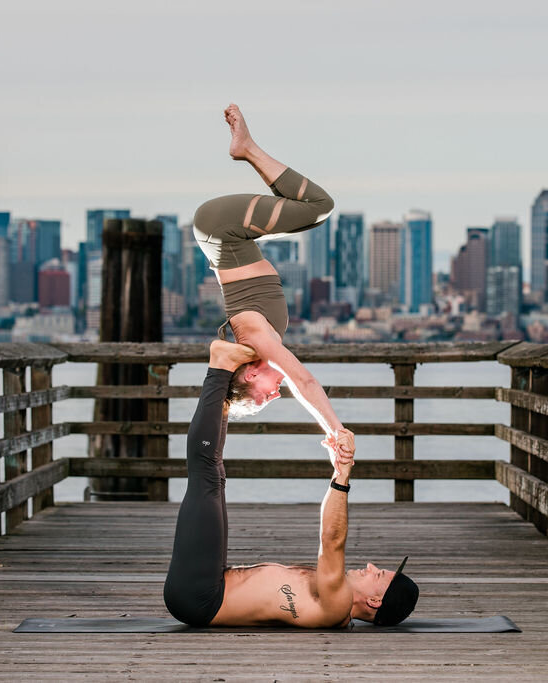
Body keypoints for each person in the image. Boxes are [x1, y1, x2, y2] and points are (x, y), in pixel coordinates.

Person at [163, 340, 419, 629]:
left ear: (375, 601)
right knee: (215, 476)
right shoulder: (334, 601)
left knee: (207, 475)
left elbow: (331, 540)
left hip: (200, 596)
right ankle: (225, 380)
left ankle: (220, 368)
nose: (371, 567)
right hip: (211, 584)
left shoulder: (337, 604)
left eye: (379, 574)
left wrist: (342, 476)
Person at [192, 104, 347, 444]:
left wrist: (335, 432)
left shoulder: (255, 340)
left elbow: (304, 382)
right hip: (223, 236)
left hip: (221, 229)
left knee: (318, 206)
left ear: (250, 373)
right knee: (310, 214)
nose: (275, 396)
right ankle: (246, 148)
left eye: (261, 398)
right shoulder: (257, 340)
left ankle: (247, 148)